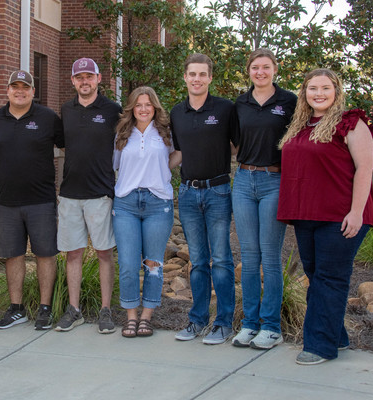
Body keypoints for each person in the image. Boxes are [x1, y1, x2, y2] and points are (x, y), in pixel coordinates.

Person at [277, 68, 373, 365]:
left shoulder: (351, 123)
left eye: (325, 88)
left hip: (341, 216)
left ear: (336, 91)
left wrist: (356, 212)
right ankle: (336, 336)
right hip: (308, 215)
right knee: (317, 277)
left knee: (330, 279)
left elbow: (365, 169)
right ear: (305, 92)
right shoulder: (301, 125)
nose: (318, 94)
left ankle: (320, 346)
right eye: (312, 89)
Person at [0, 70, 63, 330]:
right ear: (7, 90)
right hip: (7, 202)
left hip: (41, 200)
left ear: (33, 91)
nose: (20, 91)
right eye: (15, 87)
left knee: (45, 254)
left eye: (25, 87)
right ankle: (16, 309)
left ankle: (45, 309)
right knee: (13, 255)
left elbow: (66, 147)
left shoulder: (48, 118)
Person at [231, 49, 297, 349]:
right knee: (249, 256)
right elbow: (233, 142)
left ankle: (271, 327)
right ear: (248, 71)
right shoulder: (240, 103)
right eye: (255, 67)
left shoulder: (289, 102)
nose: (260, 72)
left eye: (266, 67)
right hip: (244, 181)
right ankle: (249, 324)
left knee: (270, 258)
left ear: (275, 69)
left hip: (274, 181)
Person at [171, 53, 238, 345]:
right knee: (197, 260)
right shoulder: (176, 112)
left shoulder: (225, 109)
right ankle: (197, 320)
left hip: (218, 191)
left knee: (221, 259)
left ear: (210, 77)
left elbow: (238, 147)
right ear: (185, 77)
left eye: (202, 74)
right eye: (192, 74)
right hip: (187, 192)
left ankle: (223, 323)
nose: (196, 79)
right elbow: (177, 153)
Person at [55, 58, 122, 334]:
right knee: (74, 254)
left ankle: (106, 310)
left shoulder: (112, 111)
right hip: (70, 193)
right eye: (79, 77)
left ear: (99, 78)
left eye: (89, 76)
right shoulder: (66, 110)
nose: (84, 81)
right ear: (73, 81)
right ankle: (74, 310)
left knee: (105, 253)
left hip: (100, 194)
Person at [112, 86, 178, 338]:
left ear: (155, 107)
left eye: (148, 104)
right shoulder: (122, 133)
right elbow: (116, 165)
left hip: (157, 203)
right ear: (131, 108)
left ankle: (147, 316)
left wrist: (161, 169)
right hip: (126, 203)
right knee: (128, 263)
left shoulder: (165, 133)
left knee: (153, 263)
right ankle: (130, 315)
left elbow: (177, 155)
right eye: (138, 104)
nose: (143, 109)